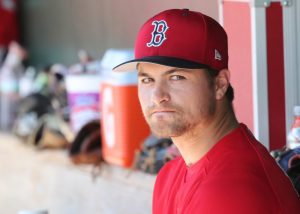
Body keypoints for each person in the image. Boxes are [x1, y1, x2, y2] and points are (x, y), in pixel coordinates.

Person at [113, 9, 300, 213]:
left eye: (176, 77)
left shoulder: (230, 191)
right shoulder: (170, 175)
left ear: (220, 84)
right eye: (147, 79)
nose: (157, 96)